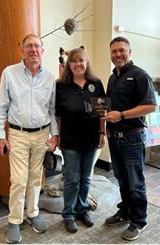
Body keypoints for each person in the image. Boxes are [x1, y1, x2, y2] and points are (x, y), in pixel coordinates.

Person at [0, 34, 59, 244]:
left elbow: (52, 109)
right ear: (22, 49)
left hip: (42, 134)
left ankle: (32, 213)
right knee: (19, 180)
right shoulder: (9, 73)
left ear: (43, 50)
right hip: (18, 134)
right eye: (28, 46)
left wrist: (55, 134)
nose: (33, 50)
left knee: (35, 178)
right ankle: (14, 220)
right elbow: (1, 108)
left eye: (37, 46)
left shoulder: (49, 78)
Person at [102, 36, 156, 241]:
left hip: (132, 139)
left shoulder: (140, 75)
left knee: (135, 182)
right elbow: (108, 106)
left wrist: (122, 115)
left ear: (129, 52)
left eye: (121, 50)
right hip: (115, 138)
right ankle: (125, 211)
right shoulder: (112, 77)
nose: (117, 54)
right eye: (114, 51)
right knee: (122, 179)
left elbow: (151, 106)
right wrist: (106, 126)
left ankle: (139, 220)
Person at [55, 47, 106, 233]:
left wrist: (102, 133)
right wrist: (58, 136)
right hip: (70, 139)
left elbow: (101, 112)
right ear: (69, 64)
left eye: (81, 60)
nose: (78, 64)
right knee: (72, 179)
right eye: (74, 61)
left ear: (87, 62)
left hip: (91, 138)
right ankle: (68, 214)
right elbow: (58, 115)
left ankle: (82, 209)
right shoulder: (61, 85)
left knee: (86, 178)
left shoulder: (96, 83)